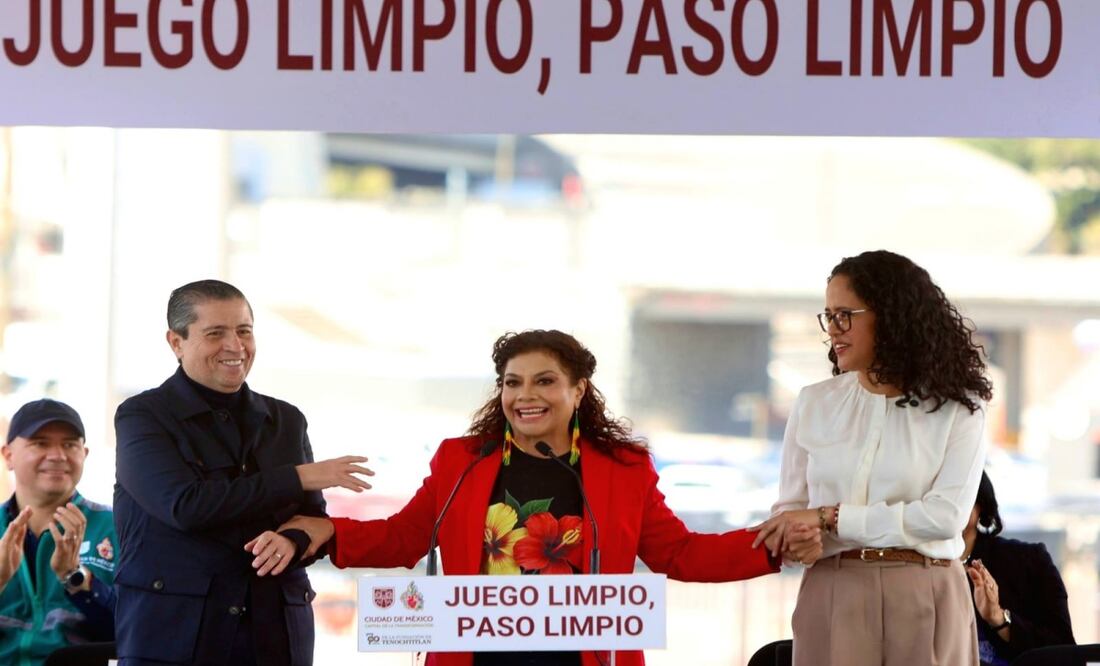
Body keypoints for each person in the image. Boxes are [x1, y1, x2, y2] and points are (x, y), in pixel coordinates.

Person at [263, 329, 793, 666]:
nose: (525, 395)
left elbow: (678, 553)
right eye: (513, 383)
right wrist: (329, 531)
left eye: (545, 381)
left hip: (584, 656)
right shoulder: (462, 460)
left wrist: (774, 545)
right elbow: (404, 538)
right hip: (476, 655)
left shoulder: (622, 470)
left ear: (578, 389)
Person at [112, 280, 375, 666]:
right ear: (176, 342)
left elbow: (313, 519)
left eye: (244, 331)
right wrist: (298, 477)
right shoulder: (142, 416)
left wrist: (293, 540)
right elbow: (185, 505)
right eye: (215, 333)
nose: (235, 346)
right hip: (176, 638)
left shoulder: (285, 419)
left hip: (274, 634)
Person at [751, 250, 993, 666]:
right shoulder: (813, 403)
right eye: (827, 316)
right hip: (832, 592)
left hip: (927, 593)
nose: (832, 330)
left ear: (892, 316)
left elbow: (944, 517)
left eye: (845, 315)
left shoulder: (960, 408)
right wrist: (799, 542)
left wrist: (831, 518)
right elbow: (791, 513)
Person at [0, 399, 116, 666]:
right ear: (8, 456)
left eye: (69, 444)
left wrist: (75, 578)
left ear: (84, 454)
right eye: (40, 443)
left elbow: (135, 632)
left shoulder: (118, 526)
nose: (57, 455)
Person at [963, 471, 1075, 665]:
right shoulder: (910, 572)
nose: (944, 506)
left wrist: (998, 618)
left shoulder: (1027, 561)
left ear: (980, 501)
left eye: (957, 493)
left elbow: (1066, 653)